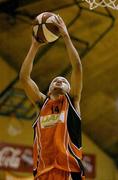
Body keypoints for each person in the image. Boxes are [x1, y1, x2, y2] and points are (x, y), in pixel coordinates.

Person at [20, 15, 85, 180]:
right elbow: (24, 78)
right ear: (48, 90)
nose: (59, 80)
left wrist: (66, 36)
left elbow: (77, 67)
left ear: (69, 89)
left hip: (69, 172)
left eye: (64, 81)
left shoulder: (73, 101)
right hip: (43, 173)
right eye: (55, 80)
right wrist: (34, 46)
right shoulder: (41, 104)